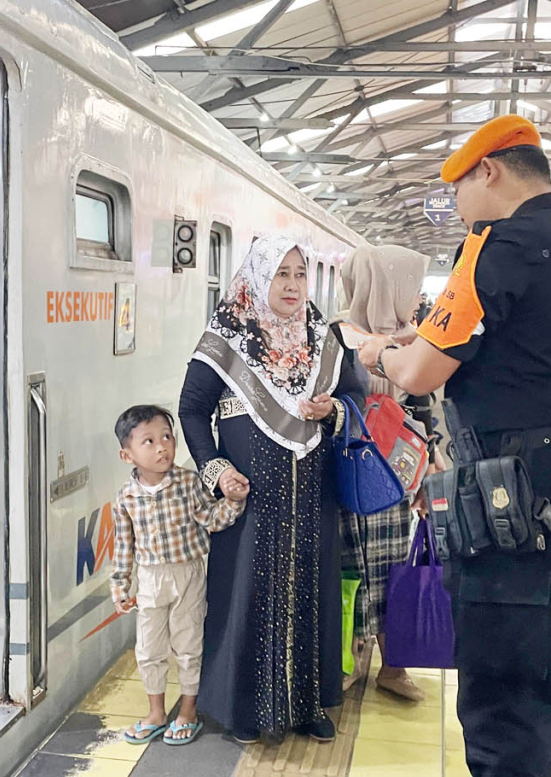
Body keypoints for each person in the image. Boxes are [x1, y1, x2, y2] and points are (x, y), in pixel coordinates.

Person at [355, 115, 551, 777]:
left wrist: (374, 351)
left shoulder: (496, 244)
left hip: (513, 492)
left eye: (458, 188)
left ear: (490, 170)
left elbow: (419, 370)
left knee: (503, 695)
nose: (456, 206)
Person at [178, 235, 368, 743]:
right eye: (280, 273)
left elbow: (355, 398)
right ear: (259, 277)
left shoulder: (324, 340)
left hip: (313, 498)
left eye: (299, 274)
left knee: (311, 588)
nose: (290, 285)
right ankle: (244, 710)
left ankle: (307, 706)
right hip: (251, 498)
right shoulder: (228, 335)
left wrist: (335, 410)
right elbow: (192, 410)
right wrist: (214, 469)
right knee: (247, 592)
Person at [110, 405, 247, 746]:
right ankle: (155, 713)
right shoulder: (126, 498)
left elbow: (212, 520)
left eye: (167, 437)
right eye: (149, 441)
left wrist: (233, 500)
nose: (162, 447)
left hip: (188, 574)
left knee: (188, 645)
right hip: (150, 580)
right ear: (127, 455)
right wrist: (120, 584)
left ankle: (188, 711)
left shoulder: (188, 482)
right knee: (148, 648)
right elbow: (123, 545)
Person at [333, 243, 431, 702]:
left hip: (398, 476)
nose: (415, 299)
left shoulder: (421, 340)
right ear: (386, 286)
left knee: (393, 568)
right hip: (352, 469)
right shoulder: (336, 336)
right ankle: (349, 657)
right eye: (409, 287)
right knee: (350, 567)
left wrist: (427, 474)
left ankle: (394, 665)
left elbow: (430, 408)